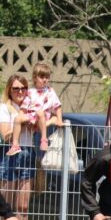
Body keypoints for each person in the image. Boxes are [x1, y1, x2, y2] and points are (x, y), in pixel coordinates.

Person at [0, 75, 36, 220]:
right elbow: (4, 135)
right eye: (16, 88)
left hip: (28, 153)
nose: (20, 92)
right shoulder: (4, 107)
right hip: (8, 154)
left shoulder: (31, 106)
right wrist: (20, 123)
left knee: (23, 206)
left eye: (23, 88)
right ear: (9, 90)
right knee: (4, 204)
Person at [27, 63, 64, 195]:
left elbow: (57, 106)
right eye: (42, 77)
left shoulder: (50, 91)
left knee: (41, 159)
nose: (45, 80)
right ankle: (36, 187)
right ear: (34, 77)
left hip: (43, 126)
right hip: (33, 122)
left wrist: (59, 119)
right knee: (34, 159)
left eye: (47, 77)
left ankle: (40, 188)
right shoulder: (30, 92)